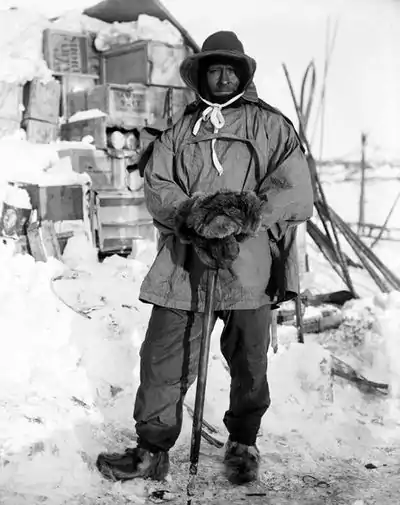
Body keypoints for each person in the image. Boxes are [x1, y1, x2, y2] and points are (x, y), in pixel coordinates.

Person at [96, 30, 314, 485]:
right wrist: (191, 214)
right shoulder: (180, 129)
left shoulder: (270, 126)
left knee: (249, 360)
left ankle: (243, 443)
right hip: (185, 259)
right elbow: (158, 184)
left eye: (228, 68)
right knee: (163, 355)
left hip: (249, 263)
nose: (220, 76)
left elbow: (293, 188)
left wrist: (244, 215)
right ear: (200, 74)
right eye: (212, 68)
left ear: (242, 73)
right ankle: (152, 450)